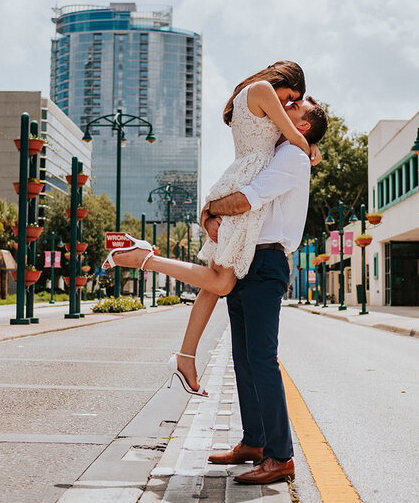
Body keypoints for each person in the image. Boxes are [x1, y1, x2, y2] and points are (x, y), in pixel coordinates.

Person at [109, 96, 328, 484]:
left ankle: (281, 456)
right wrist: (212, 213)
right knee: (243, 357)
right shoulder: (281, 152)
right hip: (246, 259)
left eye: (294, 106)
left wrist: (211, 207)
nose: (285, 106)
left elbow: (245, 201)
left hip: (266, 261)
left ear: (304, 125)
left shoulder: (293, 157)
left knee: (261, 358)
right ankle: (255, 442)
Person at [105, 61, 317, 394]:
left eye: (293, 103)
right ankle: (144, 258)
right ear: (285, 81)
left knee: (214, 281)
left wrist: (306, 143)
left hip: (244, 178)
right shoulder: (262, 90)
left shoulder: (253, 95)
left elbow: (289, 137)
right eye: (291, 97)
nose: (288, 105)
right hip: (246, 186)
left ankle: (186, 356)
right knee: (220, 281)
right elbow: (294, 137)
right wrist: (309, 148)